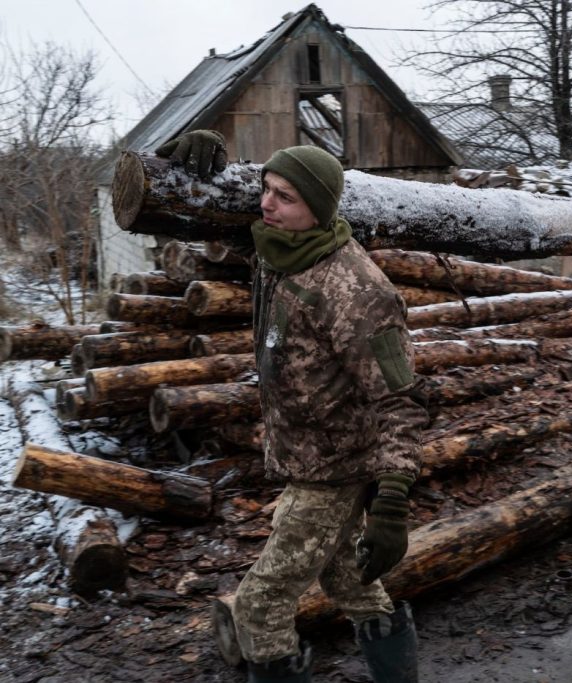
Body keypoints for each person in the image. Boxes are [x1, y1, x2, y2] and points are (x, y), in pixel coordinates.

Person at [157, 131, 428, 683]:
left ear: (320, 208)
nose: (266, 203)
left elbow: (400, 401)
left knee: (261, 605)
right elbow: (204, 229)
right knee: (348, 579)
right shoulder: (278, 246)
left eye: (285, 196)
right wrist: (192, 161)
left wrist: (392, 505)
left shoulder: (357, 291)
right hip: (304, 454)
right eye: (266, 189)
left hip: (336, 468)